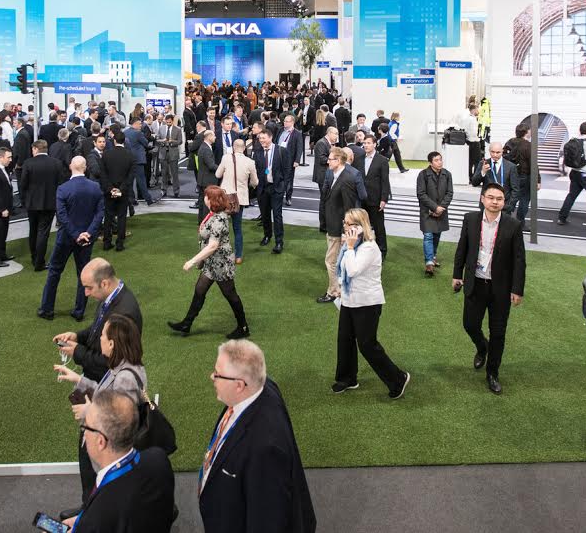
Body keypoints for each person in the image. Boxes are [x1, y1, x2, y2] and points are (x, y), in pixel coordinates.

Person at [199, 340, 315, 533]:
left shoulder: (265, 449)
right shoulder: (260, 387)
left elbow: (267, 519)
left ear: (239, 385)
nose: (212, 377)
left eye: (217, 374)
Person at [54, 315, 149, 504]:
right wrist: (79, 380)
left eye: (103, 335)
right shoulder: (123, 366)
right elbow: (108, 395)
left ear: (112, 344)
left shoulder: (125, 377)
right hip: (108, 453)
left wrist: (89, 412)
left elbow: (121, 422)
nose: (100, 338)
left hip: (110, 454)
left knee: (102, 498)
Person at [66, 389, 175, 533]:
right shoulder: (158, 459)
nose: (84, 433)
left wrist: (84, 525)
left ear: (101, 442)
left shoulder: (98, 518)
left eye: (85, 426)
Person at [452, 183, 526, 395]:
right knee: (470, 324)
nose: (495, 202)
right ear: (482, 199)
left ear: (504, 202)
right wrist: (457, 274)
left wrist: (517, 289)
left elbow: (519, 260)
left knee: (498, 333)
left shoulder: (513, 225)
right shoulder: (470, 219)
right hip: (475, 283)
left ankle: (492, 373)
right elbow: (462, 247)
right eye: (491, 197)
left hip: (500, 289)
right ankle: (482, 347)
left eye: (499, 199)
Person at [333, 208, 410, 398]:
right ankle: (347, 378)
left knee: (367, 345)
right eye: (344, 223)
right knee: (344, 340)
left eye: (348, 224)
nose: (345, 227)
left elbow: (352, 270)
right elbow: (343, 269)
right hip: (350, 301)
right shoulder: (351, 245)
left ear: (360, 226)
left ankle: (398, 379)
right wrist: (340, 287)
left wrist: (350, 247)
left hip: (367, 303)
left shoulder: (369, 247)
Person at [168, 186, 248, 339]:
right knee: (200, 290)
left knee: (231, 295)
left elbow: (212, 246)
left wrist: (192, 261)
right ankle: (186, 324)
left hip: (221, 265)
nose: (204, 198)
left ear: (212, 200)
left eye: (207, 196)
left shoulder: (219, 220)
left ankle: (243, 327)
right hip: (212, 263)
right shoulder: (214, 214)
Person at [55, 258, 144, 382]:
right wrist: (78, 336)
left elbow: (114, 361)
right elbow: (98, 327)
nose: (86, 293)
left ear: (104, 284)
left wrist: (78, 352)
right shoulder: (109, 295)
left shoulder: (125, 313)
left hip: (106, 385)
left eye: (89, 288)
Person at [40, 157, 105, 322]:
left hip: (66, 238)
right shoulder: (95, 187)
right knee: (83, 274)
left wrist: (76, 234)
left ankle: (47, 309)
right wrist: (88, 233)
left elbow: (62, 216)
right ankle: (79, 311)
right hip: (86, 239)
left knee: (54, 271)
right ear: (85, 167)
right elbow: (100, 213)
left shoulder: (63, 189)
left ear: (70, 167)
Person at [317, 148, 360, 304]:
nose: (328, 161)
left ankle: (334, 291)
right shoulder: (334, 175)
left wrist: (344, 232)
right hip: (332, 225)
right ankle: (340, 290)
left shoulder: (346, 179)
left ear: (339, 161)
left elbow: (349, 208)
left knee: (331, 261)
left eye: (331, 159)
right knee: (336, 261)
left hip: (338, 228)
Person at [19, 142, 65, 270]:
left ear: (35, 149)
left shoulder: (28, 163)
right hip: (49, 203)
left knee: (33, 230)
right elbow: (61, 183)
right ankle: (39, 262)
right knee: (43, 232)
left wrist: (25, 200)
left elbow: (23, 184)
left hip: (32, 203)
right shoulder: (56, 163)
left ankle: (35, 258)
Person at [214, 138, 258, 265]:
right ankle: (238, 256)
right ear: (244, 148)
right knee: (237, 228)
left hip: (225, 197)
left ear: (233, 147)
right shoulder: (250, 162)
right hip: (240, 199)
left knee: (220, 226)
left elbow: (217, 175)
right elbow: (255, 182)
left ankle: (219, 252)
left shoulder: (226, 158)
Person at [416, 151, 453, 277]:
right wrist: (434, 207)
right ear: (430, 163)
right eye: (436, 160)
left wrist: (441, 208)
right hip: (427, 211)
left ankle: (433, 256)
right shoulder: (423, 175)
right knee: (428, 235)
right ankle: (429, 263)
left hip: (441, 210)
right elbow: (421, 194)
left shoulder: (447, 174)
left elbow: (449, 193)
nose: (440, 162)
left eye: (440, 159)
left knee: (437, 234)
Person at [252, 130, 287, 255]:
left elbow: (287, 170)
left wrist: (284, 187)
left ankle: (279, 242)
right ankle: (267, 235)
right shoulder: (257, 151)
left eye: (264, 138)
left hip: (276, 188)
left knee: (277, 215)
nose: (261, 140)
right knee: (265, 214)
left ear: (270, 137)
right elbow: (255, 170)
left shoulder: (281, 151)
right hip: (262, 188)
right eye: (260, 138)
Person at [101, 132, 137, 251]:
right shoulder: (130, 155)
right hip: (123, 191)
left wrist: (110, 189)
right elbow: (130, 176)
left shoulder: (106, 154)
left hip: (109, 191)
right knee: (122, 217)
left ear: (114, 140)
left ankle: (106, 242)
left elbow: (103, 174)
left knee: (108, 216)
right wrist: (120, 189)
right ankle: (120, 243)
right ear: (124, 141)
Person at [360, 137, 391, 257]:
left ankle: (382, 251)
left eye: (368, 143)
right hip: (362, 199)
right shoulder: (360, 159)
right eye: (364, 143)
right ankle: (364, 250)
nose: (366, 145)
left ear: (374, 144)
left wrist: (383, 199)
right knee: (362, 226)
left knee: (378, 227)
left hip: (375, 199)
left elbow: (385, 181)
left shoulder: (382, 160)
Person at [502, 124, 534, 228]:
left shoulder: (510, 142)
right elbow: (533, 163)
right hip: (524, 175)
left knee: (511, 197)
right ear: (526, 132)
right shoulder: (528, 145)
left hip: (510, 174)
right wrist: (537, 179)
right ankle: (520, 223)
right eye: (529, 130)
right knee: (524, 199)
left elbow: (503, 156)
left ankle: (505, 219)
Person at [478, 141, 522, 213]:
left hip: (504, 207)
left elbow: (515, 189)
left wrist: (510, 205)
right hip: (486, 205)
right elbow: (475, 182)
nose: (495, 155)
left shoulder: (511, 167)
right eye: (492, 152)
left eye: (498, 152)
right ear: (489, 151)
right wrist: (483, 172)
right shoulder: (483, 164)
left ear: (502, 151)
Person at [276, 114, 303, 205]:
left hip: (290, 160)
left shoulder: (297, 133)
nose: (285, 123)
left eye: (287, 121)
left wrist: (297, 160)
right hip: (278, 158)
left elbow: (299, 148)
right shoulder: (280, 130)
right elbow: (276, 142)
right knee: (277, 177)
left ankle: (288, 197)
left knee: (288, 180)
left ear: (292, 122)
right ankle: (278, 196)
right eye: (284, 121)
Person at [155, 113, 184, 198]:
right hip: (163, 153)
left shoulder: (178, 129)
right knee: (164, 173)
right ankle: (163, 190)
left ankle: (176, 191)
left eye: (170, 122)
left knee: (174, 174)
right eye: (167, 122)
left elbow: (180, 141)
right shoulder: (161, 128)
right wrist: (162, 141)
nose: (168, 124)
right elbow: (157, 139)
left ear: (173, 121)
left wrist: (172, 141)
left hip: (173, 154)